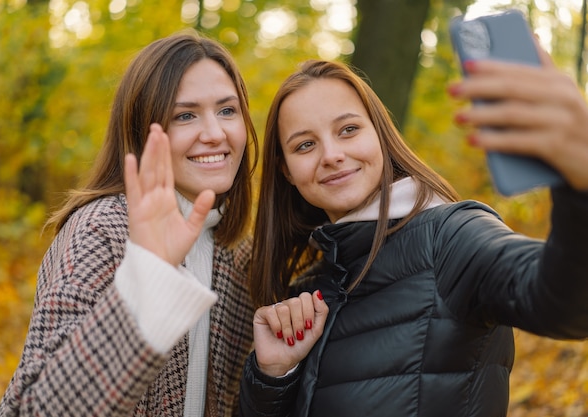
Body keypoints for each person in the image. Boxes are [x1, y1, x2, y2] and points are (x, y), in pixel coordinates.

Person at [239, 43, 588, 416]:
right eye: (305, 144)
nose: (331, 155)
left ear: (381, 135)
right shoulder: (303, 294)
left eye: (349, 129)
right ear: (287, 170)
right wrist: (273, 376)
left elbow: (565, 305)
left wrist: (580, 187)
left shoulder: (452, 237)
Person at [0, 30, 259, 417]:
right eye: (185, 115)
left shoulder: (234, 251)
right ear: (141, 131)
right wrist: (148, 278)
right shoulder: (102, 231)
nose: (215, 133)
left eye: (227, 110)